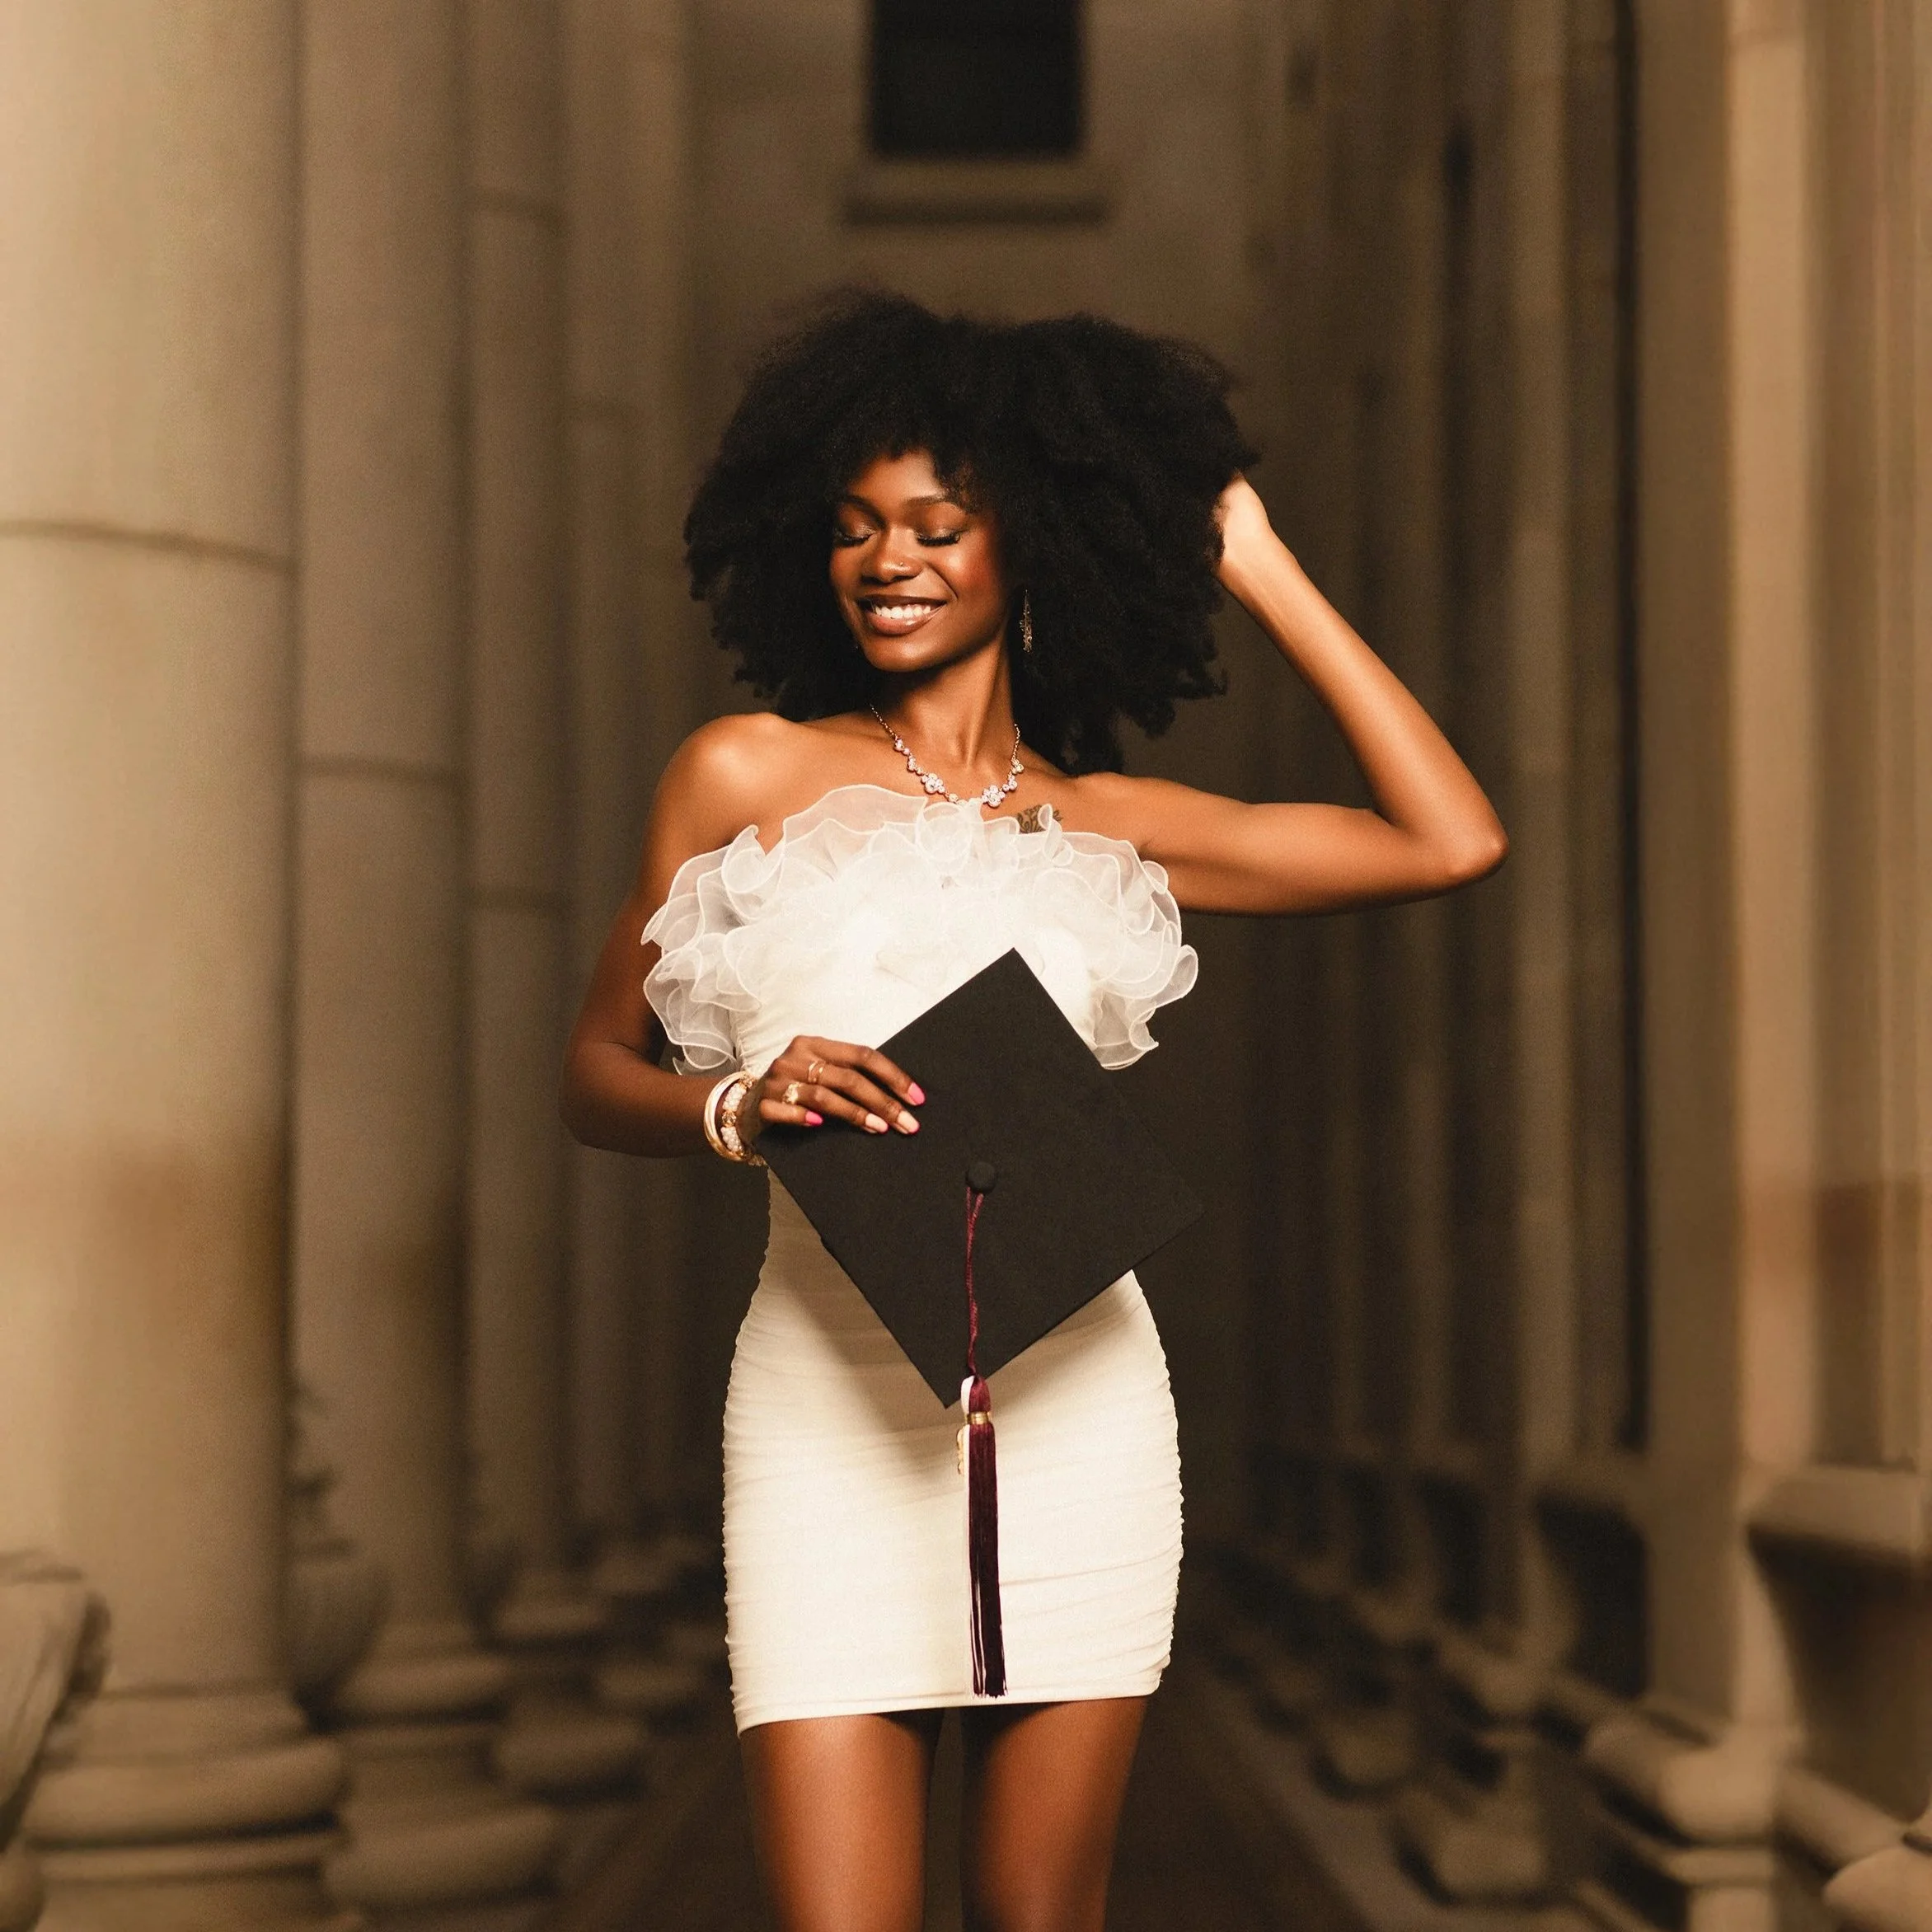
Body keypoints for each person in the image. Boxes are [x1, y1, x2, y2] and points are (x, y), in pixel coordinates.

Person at [560, 289, 1505, 1932]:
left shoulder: (1104, 822)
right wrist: (732, 1103)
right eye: (855, 528)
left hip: (1075, 1414)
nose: (888, 560)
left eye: (938, 523)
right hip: (818, 1410)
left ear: (1029, 544)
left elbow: (1446, 838)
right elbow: (593, 1074)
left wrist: (1258, 562)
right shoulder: (739, 775)